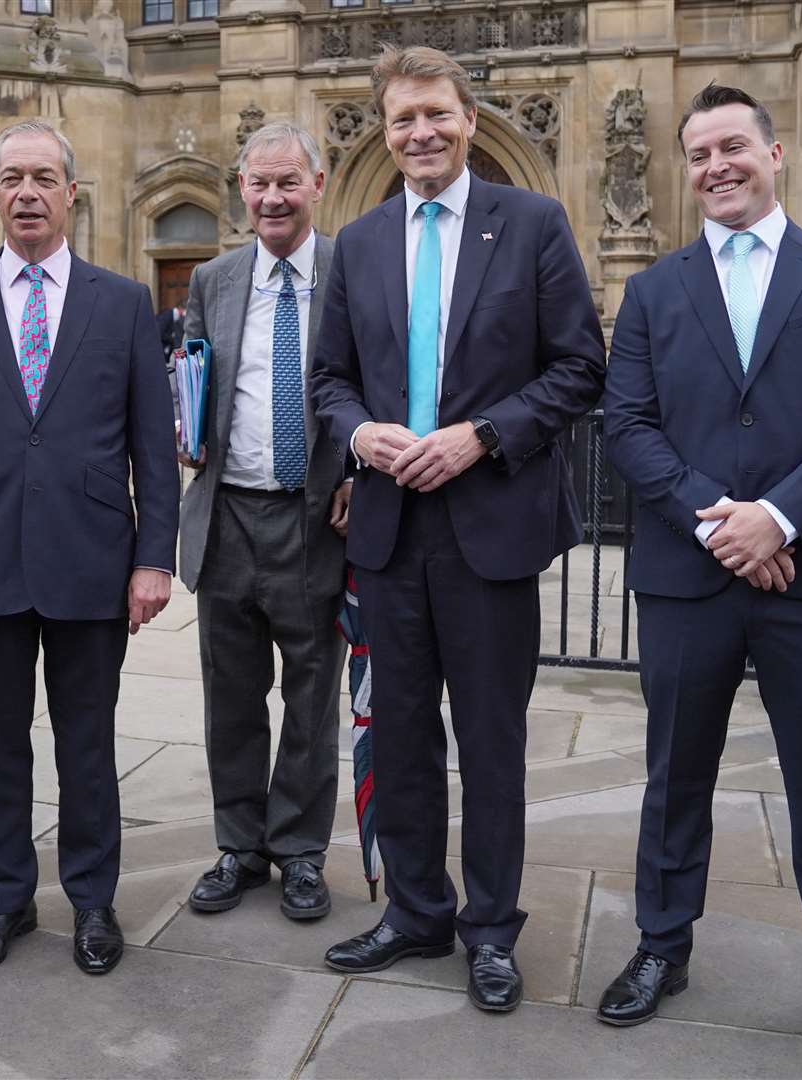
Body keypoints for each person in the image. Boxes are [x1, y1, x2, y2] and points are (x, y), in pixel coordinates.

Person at [598, 83, 802, 1080]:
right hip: (688, 574)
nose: (713, 166)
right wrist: (719, 522)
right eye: (697, 154)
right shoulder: (654, 290)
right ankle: (661, 947)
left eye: (731, 146)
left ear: (774, 154)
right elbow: (627, 424)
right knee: (673, 777)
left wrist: (774, 519)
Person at [310, 45, 605, 1012]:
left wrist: (482, 437)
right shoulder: (355, 243)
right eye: (401, 120)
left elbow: (578, 366)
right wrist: (360, 433)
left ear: (468, 120)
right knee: (396, 737)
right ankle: (415, 912)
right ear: (384, 132)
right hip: (390, 529)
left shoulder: (530, 223)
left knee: (488, 740)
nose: (420, 134)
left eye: (435, 114)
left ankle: (489, 928)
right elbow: (327, 379)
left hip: (491, 526)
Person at [0, 119, 178, 979]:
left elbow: (152, 445)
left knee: (85, 740)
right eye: (11, 178)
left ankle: (92, 902)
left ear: (70, 193)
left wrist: (154, 557)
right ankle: (4, 902)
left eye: (43, 178)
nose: (26, 192)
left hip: (93, 557)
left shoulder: (123, 301)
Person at [177, 122, 349, 922]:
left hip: (314, 517)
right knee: (231, 694)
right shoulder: (213, 278)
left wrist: (358, 475)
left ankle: (300, 850)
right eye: (258, 184)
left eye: (287, 183)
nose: (272, 198)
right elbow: (194, 371)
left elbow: (373, 383)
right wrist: (183, 425)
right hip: (228, 515)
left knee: (311, 694)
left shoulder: (353, 271)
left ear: (317, 183)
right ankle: (239, 846)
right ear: (240, 190)